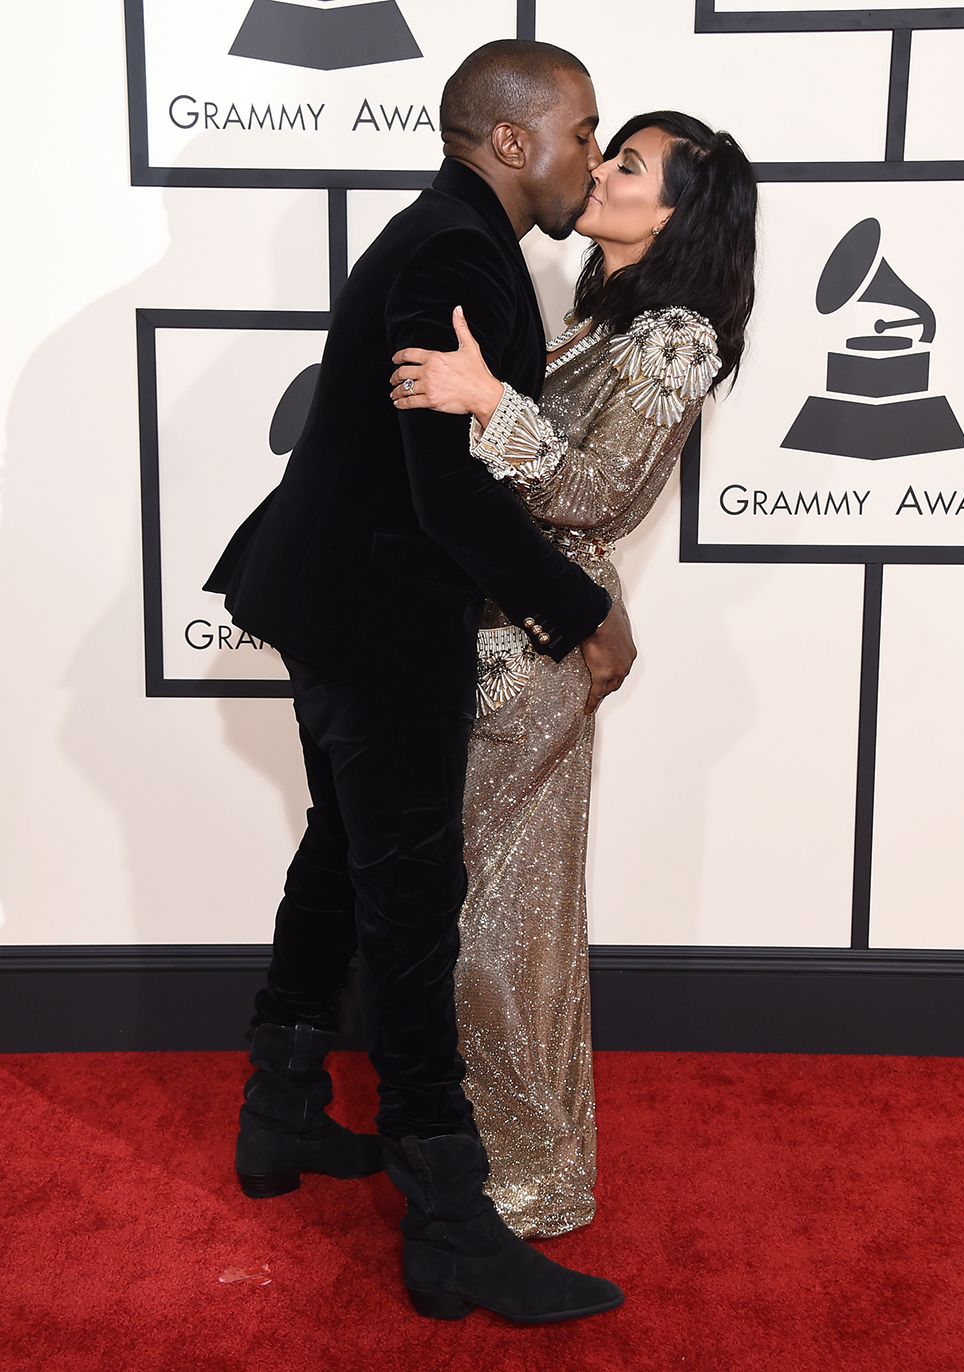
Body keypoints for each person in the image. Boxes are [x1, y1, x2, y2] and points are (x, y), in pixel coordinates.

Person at [203, 40, 636, 1324]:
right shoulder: (456, 254)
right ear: (509, 140)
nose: (589, 161)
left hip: (335, 600)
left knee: (340, 856)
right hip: (382, 619)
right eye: (580, 132)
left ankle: (280, 1111)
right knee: (411, 909)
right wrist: (583, 612)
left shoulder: (445, 236)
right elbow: (446, 488)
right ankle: (448, 1219)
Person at [389, 111, 757, 1238]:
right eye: (606, 151)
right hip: (510, 634)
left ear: (676, 215)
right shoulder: (606, 317)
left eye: (628, 165)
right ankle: (520, 1160)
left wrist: (489, 404)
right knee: (505, 911)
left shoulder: (676, 336)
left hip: (533, 652)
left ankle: (524, 1176)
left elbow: (600, 497)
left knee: (504, 922)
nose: (598, 170)